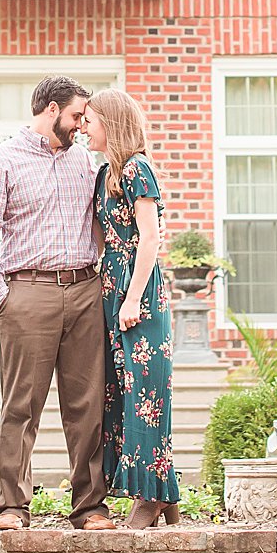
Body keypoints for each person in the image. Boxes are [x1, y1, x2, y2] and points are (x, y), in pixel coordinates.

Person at [0, 75, 116, 532]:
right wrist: (2, 298)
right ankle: (11, 506)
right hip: (27, 293)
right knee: (20, 406)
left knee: (88, 405)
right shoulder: (0, 162)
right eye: (75, 116)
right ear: (51, 110)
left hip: (86, 290)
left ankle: (90, 507)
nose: (81, 125)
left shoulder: (85, 164)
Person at [83, 87, 180, 529]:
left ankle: (149, 497)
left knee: (146, 392)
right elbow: (104, 238)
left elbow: (151, 238)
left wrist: (134, 296)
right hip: (110, 292)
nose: (84, 126)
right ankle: (164, 492)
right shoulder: (105, 173)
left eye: (90, 119)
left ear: (111, 122)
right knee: (120, 393)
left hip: (138, 293)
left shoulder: (139, 169)